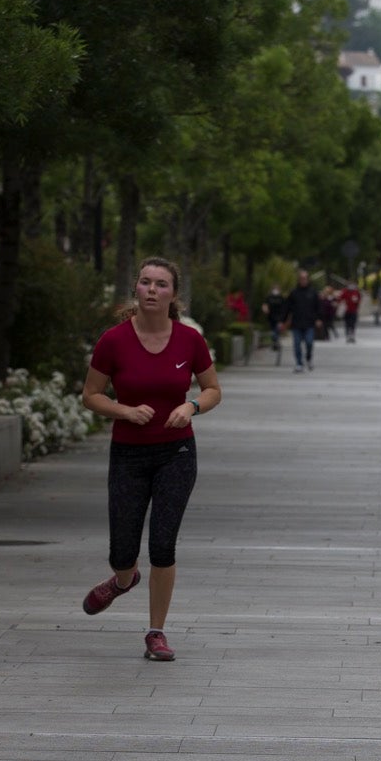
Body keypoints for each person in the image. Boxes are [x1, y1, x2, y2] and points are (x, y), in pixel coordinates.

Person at [80, 256, 221, 660]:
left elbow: (213, 389)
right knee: (122, 550)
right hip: (127, 455)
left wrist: (191, 407)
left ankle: (156, 632)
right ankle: (123, 580)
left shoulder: (189, 340)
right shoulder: (114, 340)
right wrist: (124, 411)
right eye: (145, 283)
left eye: (161, 284)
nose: (152, 290)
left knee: (163, 543)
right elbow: (91, 395)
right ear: (136, 290)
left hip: (176, 452)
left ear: (174, 294)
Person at [281, 269, 322, 372]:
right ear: (298, 280)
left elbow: (319, 307)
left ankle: (308, 358)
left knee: (309, 343)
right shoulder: (294, 293)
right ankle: (299, 363)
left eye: (305, 278)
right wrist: (282, 321)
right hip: (296, 323)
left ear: (308, 280)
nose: (303, 280)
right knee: (297, 344)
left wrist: (318, 319)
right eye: (301, 279)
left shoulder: (313, 293)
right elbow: (287, 307)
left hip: (309, 323)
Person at [260, 285, 286, 356]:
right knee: (273, 331)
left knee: (276, 331)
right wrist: (265, 309)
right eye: (274, 289)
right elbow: (264, 305)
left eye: (277, 289)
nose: (275, 290)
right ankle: (275, 343)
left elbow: (284, 309)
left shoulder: (281, 298)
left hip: (279, 318)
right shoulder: (269, 298)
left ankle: (275, 343)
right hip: (271, 317)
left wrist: (282, 320)